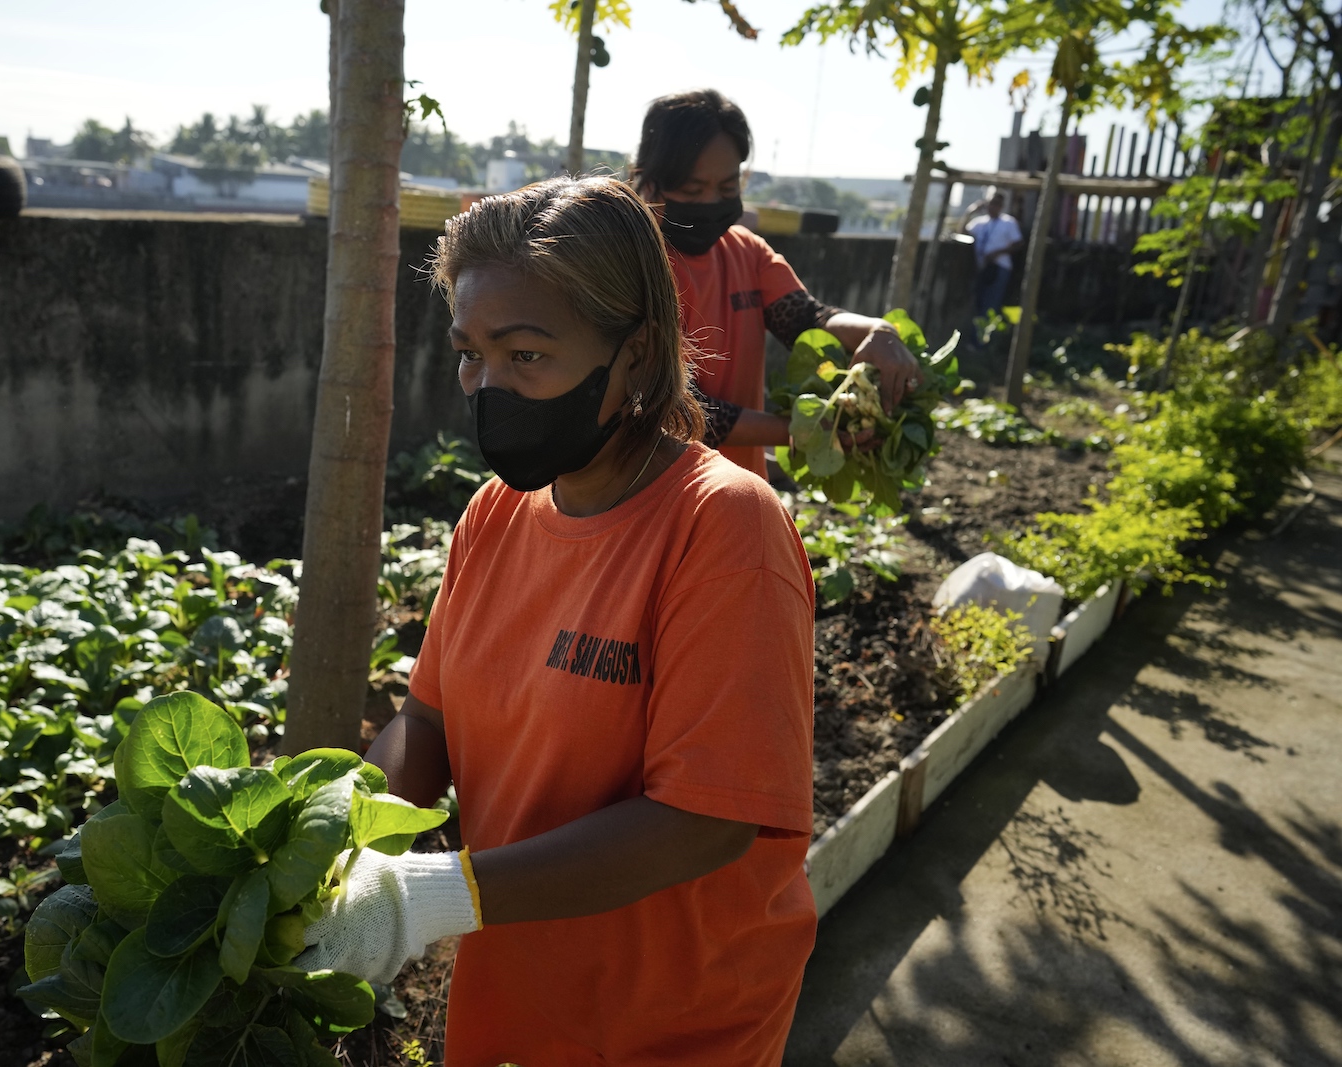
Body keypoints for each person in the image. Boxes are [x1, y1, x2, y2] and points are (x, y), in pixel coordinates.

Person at [297, 176, 818, 1067]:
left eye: (526, 355)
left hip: (670, 1022)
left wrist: (428, 898)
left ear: (639, 352)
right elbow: (429, 720)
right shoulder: (495, 515)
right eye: (471, 353)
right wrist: (348, 851)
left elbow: (706, 817)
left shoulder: (724, 526)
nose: (488, 386)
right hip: (517, 984)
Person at [633, 89, 920, 480]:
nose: (713, 202)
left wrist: (876, 330)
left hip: (742, 490)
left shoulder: (747, 252)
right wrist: (805, 430)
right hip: (660, 495)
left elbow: (804, 318)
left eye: (728, 188)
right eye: (692, 190)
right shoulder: (632, 268)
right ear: (650, 181)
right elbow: (673, 407)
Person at [963, 190, 1023, 342]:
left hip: (999, 267)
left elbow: (1018, 243)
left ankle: (983, 342)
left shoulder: (1008, 222)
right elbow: (962, 231)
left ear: (1002, 206)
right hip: (982, 268)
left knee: (991, 305)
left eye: (996, 204)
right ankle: (977, 340)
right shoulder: (980, 222)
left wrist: (998, 253)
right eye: (990, 203)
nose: (992, 206)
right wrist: (970, 212)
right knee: (979, 303)